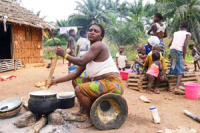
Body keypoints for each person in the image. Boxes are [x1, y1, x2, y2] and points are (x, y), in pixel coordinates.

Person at [49, 23, 124, 128]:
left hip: (113, 84)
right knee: (76, 80)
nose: (92, 32)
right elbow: (75, 73)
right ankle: (83, 110)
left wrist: (64, 55)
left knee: (79, 89)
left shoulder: (99, 45)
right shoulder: (90, 51)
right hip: (102, 82)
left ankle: (91, 117)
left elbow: (81, 61)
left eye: (96, 31)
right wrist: (55, 81)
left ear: (101, 37)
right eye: (90, 30)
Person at [169, 21, 191, 94]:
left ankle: (170, 85)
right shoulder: (187, 34)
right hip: (178, 51)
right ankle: (177, 87)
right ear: (187, 28)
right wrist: (183, 57)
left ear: (180, 27)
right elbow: (184, 46)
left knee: (173, 65)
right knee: (181, 70)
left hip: (172, 49)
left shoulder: (175, 33)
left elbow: (170, 44)